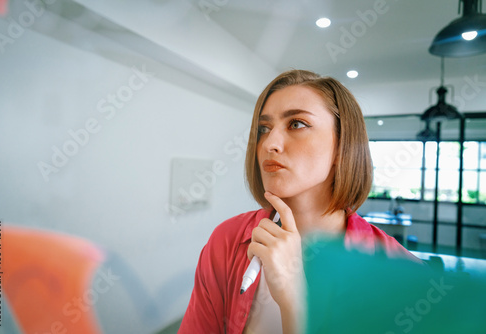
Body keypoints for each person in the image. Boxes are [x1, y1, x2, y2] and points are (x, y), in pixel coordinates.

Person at [178, 69, 418, 334]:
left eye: (297, 124)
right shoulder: (227, 241)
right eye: (263, 128)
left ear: (342, 146)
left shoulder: (398, 272)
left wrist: (296, 304)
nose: (270, 143)